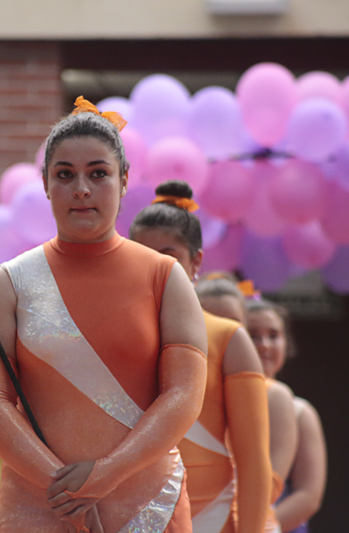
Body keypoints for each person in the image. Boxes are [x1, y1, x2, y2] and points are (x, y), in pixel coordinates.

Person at [0, 97, 208, 533]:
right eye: (65, 175)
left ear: (124, 180)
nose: (81, 189)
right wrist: (62, 488)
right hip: (39, 504)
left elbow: (184, 395)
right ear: (45, 184)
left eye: (98, 173)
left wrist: (106, 475)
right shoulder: (8, 284)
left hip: (149, 506)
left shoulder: (165, 277)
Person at [129, 181, 280, 533]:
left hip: (211, 518)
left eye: (168, 256)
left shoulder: (230, 339)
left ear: (195, 261)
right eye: (142, 256)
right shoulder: (113, 337)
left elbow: (253, 461)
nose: (155, 268)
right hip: (133, 517)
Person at [194, 275, 299, 533]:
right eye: (211, 322)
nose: (221, 332)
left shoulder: (274, 395)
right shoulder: (182, 384)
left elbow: (270, 482)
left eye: (233, 324)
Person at [245, 299, 327, 533]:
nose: (264, 345)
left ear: (286, 343)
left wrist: (254, 527)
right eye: (253, 335)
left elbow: (308, 496)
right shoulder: (215, 403)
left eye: (273, 335)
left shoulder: (300, 412)